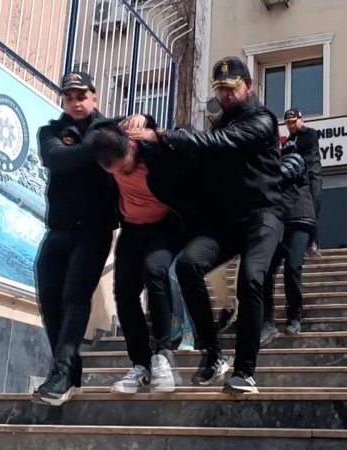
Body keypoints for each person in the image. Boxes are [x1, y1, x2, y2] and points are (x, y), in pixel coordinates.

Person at [128, 56, 284, 394]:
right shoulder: (220, 124)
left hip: (264, 216)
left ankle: (245, 371)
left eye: (232, 87)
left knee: (250, 278)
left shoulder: (262, 121)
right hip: (226, 220)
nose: (225, 95)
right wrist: (152, 146)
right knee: (187, 265)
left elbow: (217, 144)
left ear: (249, 86)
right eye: (220, 89)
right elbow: (194, 159)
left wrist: (162, 135)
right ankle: (213, 354)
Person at [32, 71, 147, 406]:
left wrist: (141, 120)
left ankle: (60, 371)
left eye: (81, 96)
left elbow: (138, 136)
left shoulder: (111, 127)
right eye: (69, 97)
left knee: (75, 295)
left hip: (95, 231)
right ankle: (69, 370)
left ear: (94, 98)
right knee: (49, 299)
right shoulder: (51, 132)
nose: (76, 102)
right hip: (59, 230)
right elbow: (57, 159)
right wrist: (96, 146)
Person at [94, 124, 187, 394]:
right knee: (124, 291)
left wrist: (151, 126)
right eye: (115, 172)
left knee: (154, 270)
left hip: (165, 225)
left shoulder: (154, 153)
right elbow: (97, 126)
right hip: (132, 228)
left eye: (124, 167)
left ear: (132, 146)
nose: (122, 174)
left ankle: (163, 355)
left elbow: (187, 139)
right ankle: (140, 364)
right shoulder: (108, 148)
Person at [261, 138, 315, 346]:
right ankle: (267, 321)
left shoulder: (293, 156)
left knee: (292, 268)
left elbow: (285, 172)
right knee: (265, 271)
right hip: (277, 222)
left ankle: (294, 317)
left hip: (298, 220)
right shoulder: (267, 163)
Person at [283, 108, 322, 255]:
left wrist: (289, 149)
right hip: (297, 181)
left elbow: (305, 150)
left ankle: (313, 242)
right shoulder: (289, 140)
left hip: (312, 175)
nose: (291, 125)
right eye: (288, 123)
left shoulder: (310, 133)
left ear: (301, 119)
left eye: (293, 122)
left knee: (314, 205)